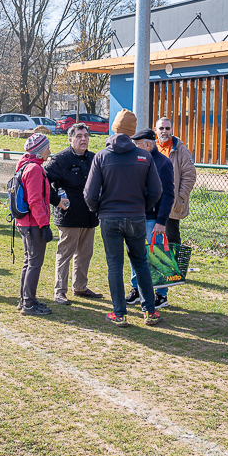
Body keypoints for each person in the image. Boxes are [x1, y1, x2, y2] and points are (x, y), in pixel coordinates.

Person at [83, 109, 163, 327]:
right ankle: (150, 311)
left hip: (110, 218)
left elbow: (89, 194)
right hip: (136, 217)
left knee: (114, 265)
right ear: (132, 131)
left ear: (114, 128)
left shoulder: (102, 156)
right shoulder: (144, 156)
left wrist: (98, 210)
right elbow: (156, 191)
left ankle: (119, 313)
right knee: (141, 262)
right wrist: (143, 207)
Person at [43, 122, 101, 305]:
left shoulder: (94, 159)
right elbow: (43, 181)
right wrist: (56, 200)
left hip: (89, 216)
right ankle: (60, 291)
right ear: (70, 139)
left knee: (85, 254)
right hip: (69, 217)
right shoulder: (61, 160)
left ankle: (80, 287)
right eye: (79, 136)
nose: (83, 139)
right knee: (65, 254)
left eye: (86, 136)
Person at [127, 128, 176, 310]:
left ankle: (161, 295)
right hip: (137, 216)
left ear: (148, 144)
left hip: (153, 219)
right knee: (135, 253)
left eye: (137, 144)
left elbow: (168, 195)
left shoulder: (163, 163)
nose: (134, 147)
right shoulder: (137, 159)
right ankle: (136, 289)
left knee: (157, 256)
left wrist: (161, 221)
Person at [15, 133, 54, 316]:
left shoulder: (25, 165)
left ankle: (25, 299)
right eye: (47, 148)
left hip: (25, 222)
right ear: (39, 151)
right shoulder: (35, 169)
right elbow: (35, 200)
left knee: (29, 261)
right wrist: (44, 225)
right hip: (33, 224)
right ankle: (29, 304)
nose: (49, 151)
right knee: (34, 263)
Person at [154, 117, 197, 245]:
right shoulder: (151, 148)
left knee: (172, 239)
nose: (164, 131)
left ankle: (174, 259)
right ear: (155, 130)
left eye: (167, 128)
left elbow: (190, 175)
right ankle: (156, 259)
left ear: (171, 129)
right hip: (152, 202)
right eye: (161, 128)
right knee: (152, 238)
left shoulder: (181, 150)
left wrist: (180, 197)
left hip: (170, 203)